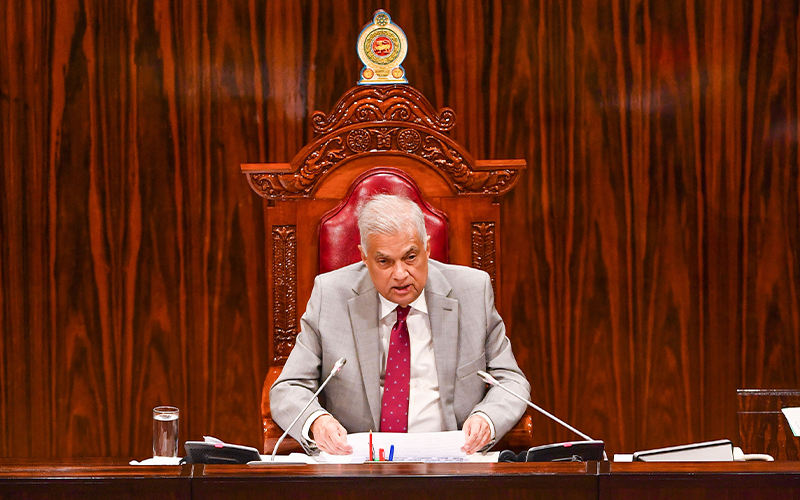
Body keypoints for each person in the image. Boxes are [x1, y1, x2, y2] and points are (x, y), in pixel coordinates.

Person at [270, 194, 530, 455]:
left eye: (410, 257)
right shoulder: (330, 296)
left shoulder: (472, 291)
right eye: (384, 261)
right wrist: (317, 421)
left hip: (451, 461)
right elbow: (288, 388)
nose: (400, 274)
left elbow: (511, 381)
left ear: (427, 247)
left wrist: (487, 418)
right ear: (364, 257)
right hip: (360, 466)